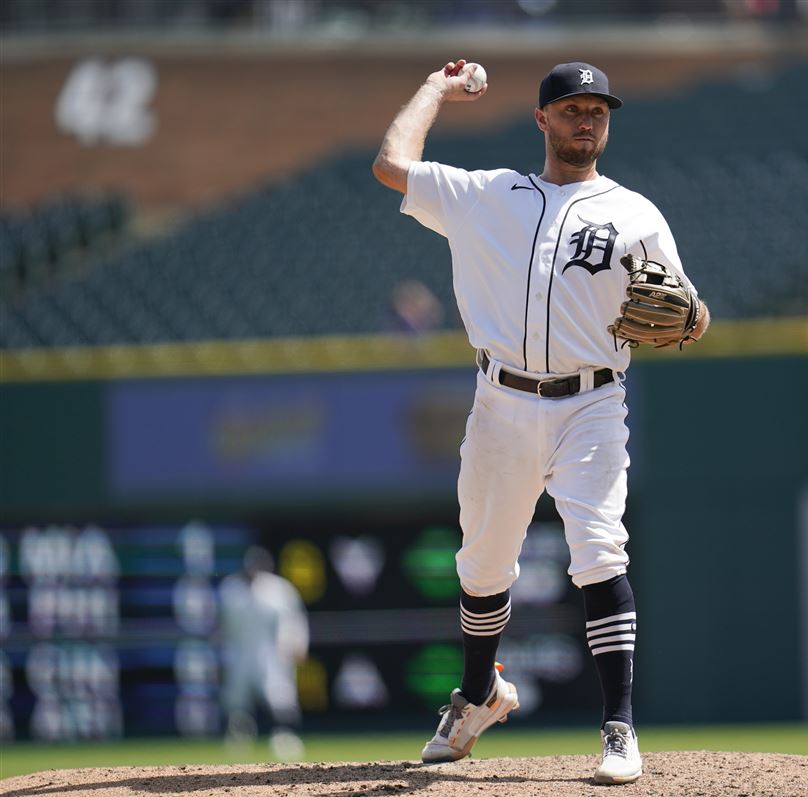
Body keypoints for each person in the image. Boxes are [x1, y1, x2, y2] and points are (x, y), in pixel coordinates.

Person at [372, 59, 710, 785]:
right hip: (501, 400)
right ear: (542, 119)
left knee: (598, 549)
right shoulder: (487, 194)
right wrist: (435, 89)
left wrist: (693, 317)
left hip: (593, 401)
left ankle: (618, 727)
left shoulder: (636, 213)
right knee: (482, 564)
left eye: (598, 109)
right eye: (572, 107)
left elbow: (690, 311)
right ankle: (478, 694)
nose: (587, 119)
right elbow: (391, 164)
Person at [218, 545, 310, 761]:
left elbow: (294, 621)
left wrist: (297, 646)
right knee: (236, 698)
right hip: (240, 651)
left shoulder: (279, 590)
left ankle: (285, 738)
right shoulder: (231, 589)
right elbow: (222, 626)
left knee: (279, 694)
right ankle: (238, 740)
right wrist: (221, 654)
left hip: (273, 653)